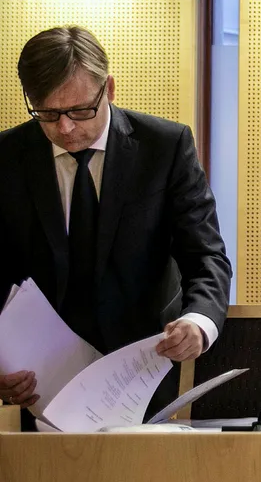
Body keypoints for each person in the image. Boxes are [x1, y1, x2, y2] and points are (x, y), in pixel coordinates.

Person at [0, 26, 232, 429]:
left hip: (144, 377)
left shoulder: (165, 147)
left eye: (79, 111)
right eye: (48, 114)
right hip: (38, 390)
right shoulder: (6, 157)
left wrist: (198, 322)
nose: (65, 128)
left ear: (107, 89)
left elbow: (206, 255)